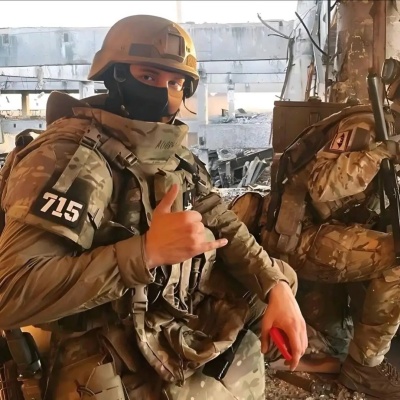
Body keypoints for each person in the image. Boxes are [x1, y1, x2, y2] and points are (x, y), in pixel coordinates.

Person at [0, 15, 307, 400]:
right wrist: (145, 253)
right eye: (148, 76)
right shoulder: (72, 158)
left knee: (279, 278)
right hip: (98, 334)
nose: (164, 93)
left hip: (162, 311)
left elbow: (220, 218)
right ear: (115, 76)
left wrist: (275, 286)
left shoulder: (168, 152)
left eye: (176, 83)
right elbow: (10, 292)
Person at [261, 94, 400, 398]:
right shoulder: (368, 125)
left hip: (333, 233)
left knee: (334, 344)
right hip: (298, 237)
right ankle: (365, 368)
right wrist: (381, 154)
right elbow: (321, 185)